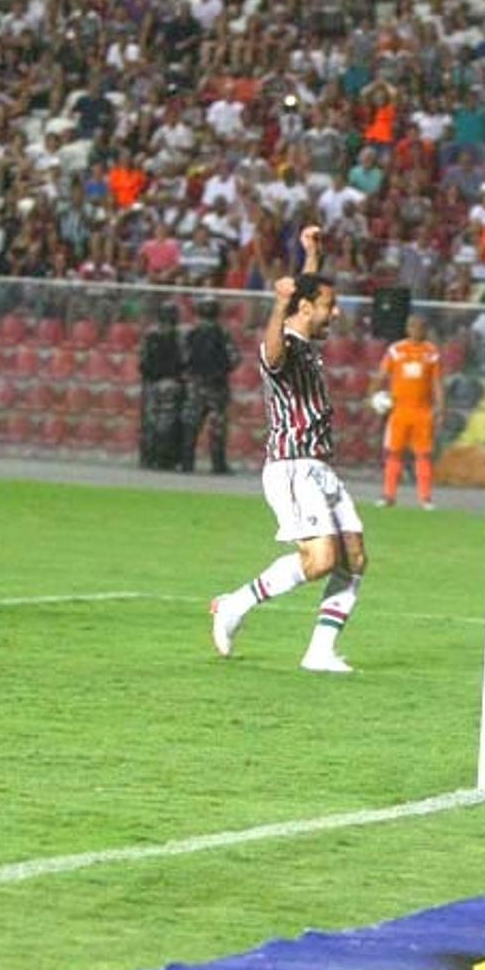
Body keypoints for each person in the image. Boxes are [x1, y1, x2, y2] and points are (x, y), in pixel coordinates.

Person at [210, 225, 366, 672]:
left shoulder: (306, 338)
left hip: (320, 467)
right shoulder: (284, 349)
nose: (334, 313)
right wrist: (279, 303)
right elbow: (273, 350)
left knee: (353, 558)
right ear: (303, 309)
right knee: (320, 561)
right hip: (292, 466)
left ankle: (319, 652)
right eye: (329, 306)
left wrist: (310, 256)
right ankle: (235, 604)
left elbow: (303, 294)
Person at [370, 314, 443, 509]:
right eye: (413, 326)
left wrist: (441, 407)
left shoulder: (431, 352)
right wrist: (373, 395)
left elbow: (437, 382)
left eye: (421, 327)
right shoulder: (396, 350)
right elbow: (382, 374)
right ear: (408, 328)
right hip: (399, 411)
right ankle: (388, 495)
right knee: (393, 453)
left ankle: (425, 498)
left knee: (424, 454)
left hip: (423, 411)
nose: (417, 330)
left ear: (425, 329)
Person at [182, 297, 236, 474]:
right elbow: (234, 358)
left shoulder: (191, 333)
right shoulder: (222, 333)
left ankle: (187, 463)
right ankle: (218, 464)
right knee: (217, 427)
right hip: (217, 387)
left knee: (192, 424)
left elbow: (183, 358)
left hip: (196, 386)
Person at [138, 301, 186, 470]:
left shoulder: (150, 334)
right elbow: (184, 360)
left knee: (150, 422)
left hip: (151, 384)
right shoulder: (180, 335)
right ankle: (167, 459)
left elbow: (142, 360)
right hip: (171, 383)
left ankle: (148, 458)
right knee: (169, 422)